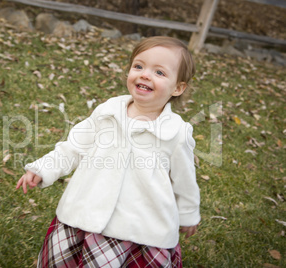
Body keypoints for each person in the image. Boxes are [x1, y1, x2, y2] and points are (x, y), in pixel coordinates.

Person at [16, 36, 200, 267]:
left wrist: (189, 212)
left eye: (159, 72)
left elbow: (184, 179)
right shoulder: (107, 112)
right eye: (139, 66)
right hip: (86, 211)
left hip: (141, 226)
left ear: (178, 87)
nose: (145, 74)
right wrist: (44, 168)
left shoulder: (177, 133)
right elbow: (74, 147)